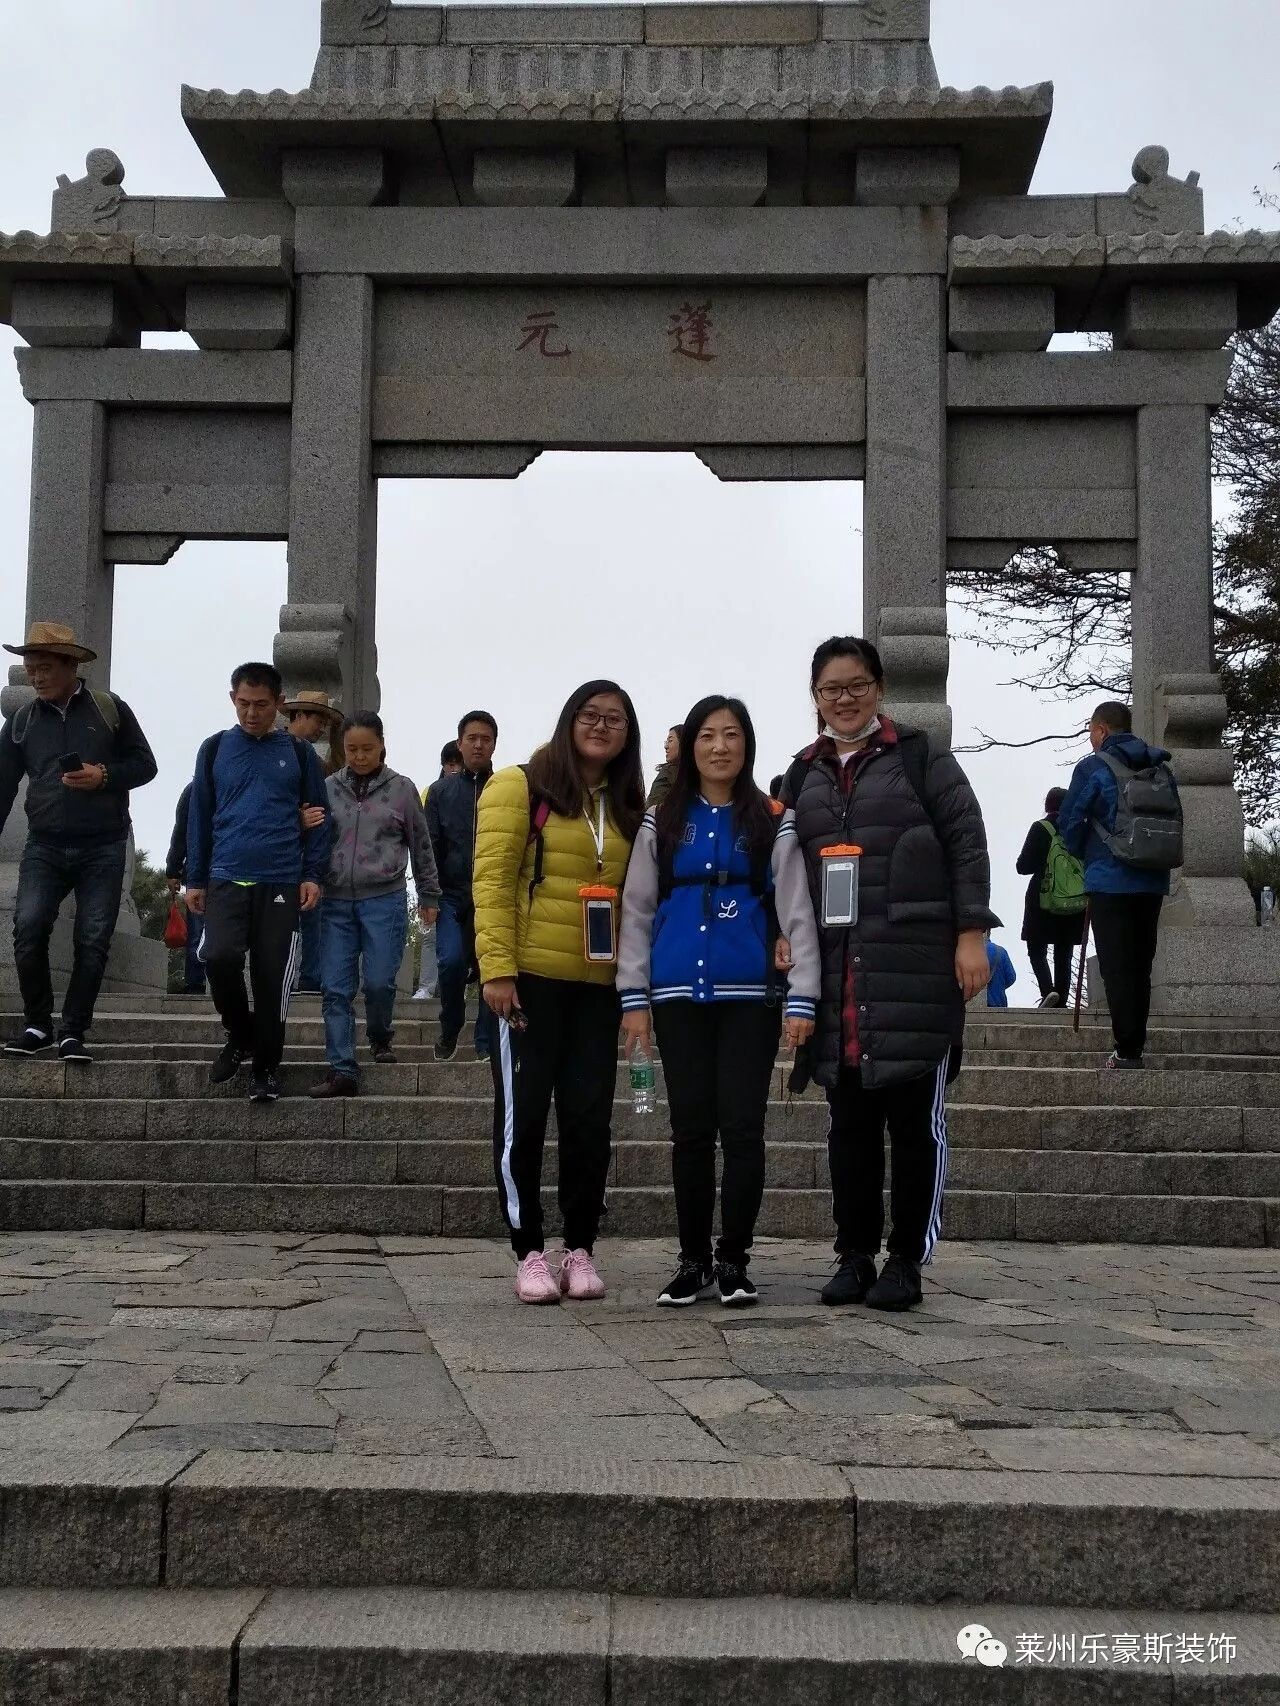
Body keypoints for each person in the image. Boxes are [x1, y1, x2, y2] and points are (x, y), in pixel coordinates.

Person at [781, 636, 996, 1312]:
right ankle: (853, 1255)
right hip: (838, 978)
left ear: (878, 688)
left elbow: (967, 842)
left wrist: (971, 935)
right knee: (847, 1129)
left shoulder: (922, 757)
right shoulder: (801, 775)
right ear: (815, 698)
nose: (844, 699)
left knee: (913, 1129)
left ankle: (905, 1261)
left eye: (856, 685)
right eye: (830, 689)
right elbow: (781, 874)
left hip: (914, 971)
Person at [618, 695, 821, 1308]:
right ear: (690, 745)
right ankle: (692, 1261)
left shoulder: (772, 820)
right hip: (676, 994)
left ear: (747, 745)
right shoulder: (660, 822)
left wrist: (802, 998)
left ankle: (733, 1260)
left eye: (732, 735)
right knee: (689, 1132)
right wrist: (633, 997)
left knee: (742, 1130)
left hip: (749, 998)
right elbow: (636, 911)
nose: (720, 747)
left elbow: (796, 911)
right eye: (708, 735)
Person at [473, 680, 644, 1305]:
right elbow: (492, 882)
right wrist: (497, 969)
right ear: (569, 720)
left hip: (598, 987)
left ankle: (580, 1247)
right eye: (590, 715)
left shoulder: (628, 804)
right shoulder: (518, 786)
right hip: (528, 985)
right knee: (522, 1120)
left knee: (589, 1121)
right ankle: (528, 1250)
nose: (601, 727)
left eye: (615, 719)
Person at [0, 622, 157, 1061]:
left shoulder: (109, 709)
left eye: (45, 668)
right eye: (31, 669)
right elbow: (2, 787)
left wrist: (103, 776)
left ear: (71, 666)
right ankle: (37, 1024)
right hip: (44, 845)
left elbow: (146, 765)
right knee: (28, 930)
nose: (36, 677)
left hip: (104, 845)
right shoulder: (21, 721)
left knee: (92, 939)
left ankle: (72, 1030)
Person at [186, 662, 330, 1103]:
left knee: (272, 978)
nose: (251, 713)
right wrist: (195, 878)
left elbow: (319, 818)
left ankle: (265, 1069)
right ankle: (239, 1033)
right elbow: (199, 814)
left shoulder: (300, 754)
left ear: (279, 704)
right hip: (226, 875)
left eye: (261, 705)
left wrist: (312, 874)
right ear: (233, 699)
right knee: (218, 955)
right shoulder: (214, 748)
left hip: (281, 879)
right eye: (244, 703)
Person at [311, 713, 441, 1097]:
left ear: (382, 745)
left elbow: (421, 844)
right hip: (335, 900)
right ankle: (342, 1068)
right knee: (335, 987)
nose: (359, 756)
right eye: (351, 749)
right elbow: (315, 841)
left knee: (380, 981)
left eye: (367, 748)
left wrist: (429, 894)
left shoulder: (402, 789)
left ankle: (380, 1034)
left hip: (384, 898)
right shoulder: (327, 788)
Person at [1058, 701, 1180, 1069]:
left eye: (1091, 732)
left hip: (1109, 879)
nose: (1091, 739)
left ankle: (1127, 1050)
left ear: (1101, 730)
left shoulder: (1093, 767)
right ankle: (1133, 1045)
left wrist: (1085, 854)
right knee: (1140, 965)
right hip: (1152, 879)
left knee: (1116, 965)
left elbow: (1070, 821)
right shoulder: (1160, 767)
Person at [427, 710, 499, 1061]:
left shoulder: (507, 790)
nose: (478, 745)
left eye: (485, 739)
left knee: (490, 967)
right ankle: (450, 1026)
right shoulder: (440, 792)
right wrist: (429, 894)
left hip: (493, 894)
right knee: (451, 961)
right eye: (472, 738)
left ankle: (485, 1041)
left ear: (494, 745)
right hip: (451, 896)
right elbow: (429, 847)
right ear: (460, 743)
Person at [283, 691, 343, 993]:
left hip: (308, 853)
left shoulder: (313, 759)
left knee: (311, 915)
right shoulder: (277, 750)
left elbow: (321, 811)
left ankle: (309, 977)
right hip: (277, 854)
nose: (321, 728)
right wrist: (296, 819)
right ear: (300, 715)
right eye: (318, 720)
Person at [1016, 787, 1086, 1009]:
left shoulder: (1041, 828)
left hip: (1042, 898)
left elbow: (1023, 866)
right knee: (1064, 951)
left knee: (1036, 948)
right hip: (1074, 899)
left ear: (1048, 805)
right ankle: (1062, 1000)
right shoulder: (1078, 830)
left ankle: (1048, 991)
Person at [413, 740, 464, 1001]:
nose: (454, 769)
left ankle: (454, 990)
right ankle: (426, 986)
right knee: (430, 935)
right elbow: (423, 839)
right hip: (435, 879)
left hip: (463, 881)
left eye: (458, 764)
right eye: (449, 764)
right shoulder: (431, 792)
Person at [165, 784, 206, 995]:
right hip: (199, 871)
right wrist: (173, 869)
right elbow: (180, 831)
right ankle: (194, 983)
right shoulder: (194, 790)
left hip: (231, 868)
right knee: (197, 932)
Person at [646, 725, 681, 807]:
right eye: (666, 742)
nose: (666, 746)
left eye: (670, 741)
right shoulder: (669, 770)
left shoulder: (669, 771)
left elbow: (654, 807)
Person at [984, 934, 1017, 1008]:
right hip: (997, 1003)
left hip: (968, 1004)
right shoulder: (1000, 951)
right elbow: (1011, 977)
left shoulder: (963, 951)